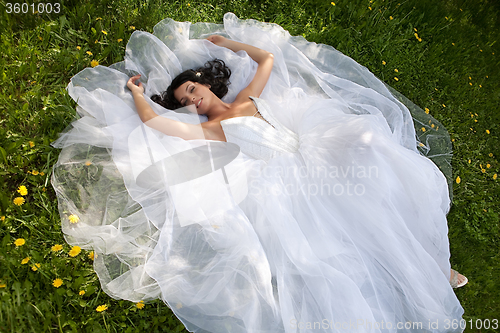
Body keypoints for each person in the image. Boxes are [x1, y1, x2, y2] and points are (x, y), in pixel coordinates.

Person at [52, 13, 467, 333]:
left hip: (312, 145)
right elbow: (155, 125)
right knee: (337, 237)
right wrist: (139, 94)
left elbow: (266, 58)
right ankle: (426, 278)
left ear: (205, 83)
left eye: (193, 90)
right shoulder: (210, 130)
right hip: (282, 179)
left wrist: (226, 42)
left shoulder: (246, 100)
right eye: (185, 101)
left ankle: (430, 265)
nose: (193, 101)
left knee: (372, 155)